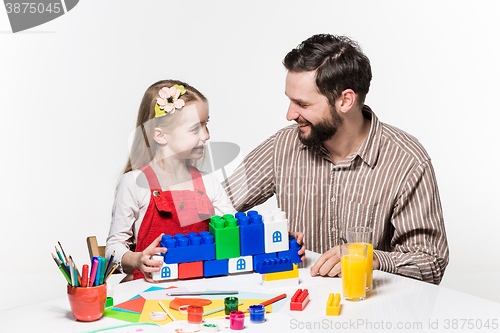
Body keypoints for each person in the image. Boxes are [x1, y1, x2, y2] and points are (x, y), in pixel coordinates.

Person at [223, 34, 449, 285]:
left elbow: (432, 263)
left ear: (345, 100)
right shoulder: (283, 146)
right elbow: (212, 208)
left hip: (370, 313)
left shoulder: (407, 160)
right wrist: (267, 237)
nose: (289, 114)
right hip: (297, 311)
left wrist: (369, 258)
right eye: (289, 100)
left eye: (302, 103)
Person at [106, 79, 236, 282]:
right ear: (160, 135)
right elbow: (113, 250)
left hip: (201, 288)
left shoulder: (208, 183)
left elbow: (234, 233)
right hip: (150, 290)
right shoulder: (134, 183)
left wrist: (280, 234)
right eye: (195, 129)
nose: (206, 135)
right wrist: (137, 259)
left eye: (206, 124)